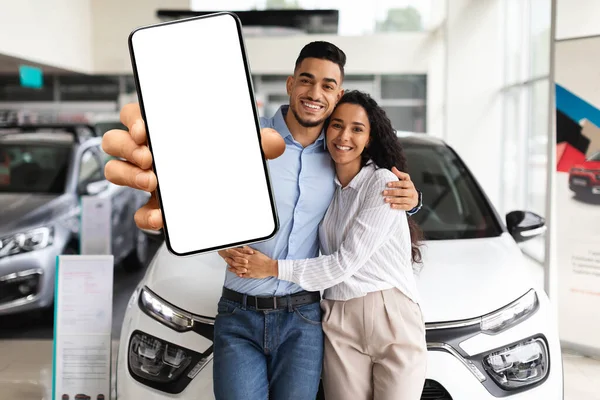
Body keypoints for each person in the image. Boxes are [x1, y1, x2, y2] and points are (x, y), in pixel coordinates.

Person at [101, 41, 422, 400]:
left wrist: (412, 200)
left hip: (304, 317)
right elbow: (197, 187)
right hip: (239, 312)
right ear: (290, 84)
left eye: (327, 85)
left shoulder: (338, 157)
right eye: (306, 80)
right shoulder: (244, 138)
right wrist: (202, 224)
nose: (315, 93)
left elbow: (368, 198)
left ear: (337, 94)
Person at [223, 90, 427, 400]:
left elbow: (343, 263)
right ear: (325, 131)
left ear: (370, 138)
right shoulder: (325, 187)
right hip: (338, 317)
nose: (344, 136)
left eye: (357, 129)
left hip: (391, 318)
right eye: (337, 125)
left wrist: (272, 268)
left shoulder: (382, 181)